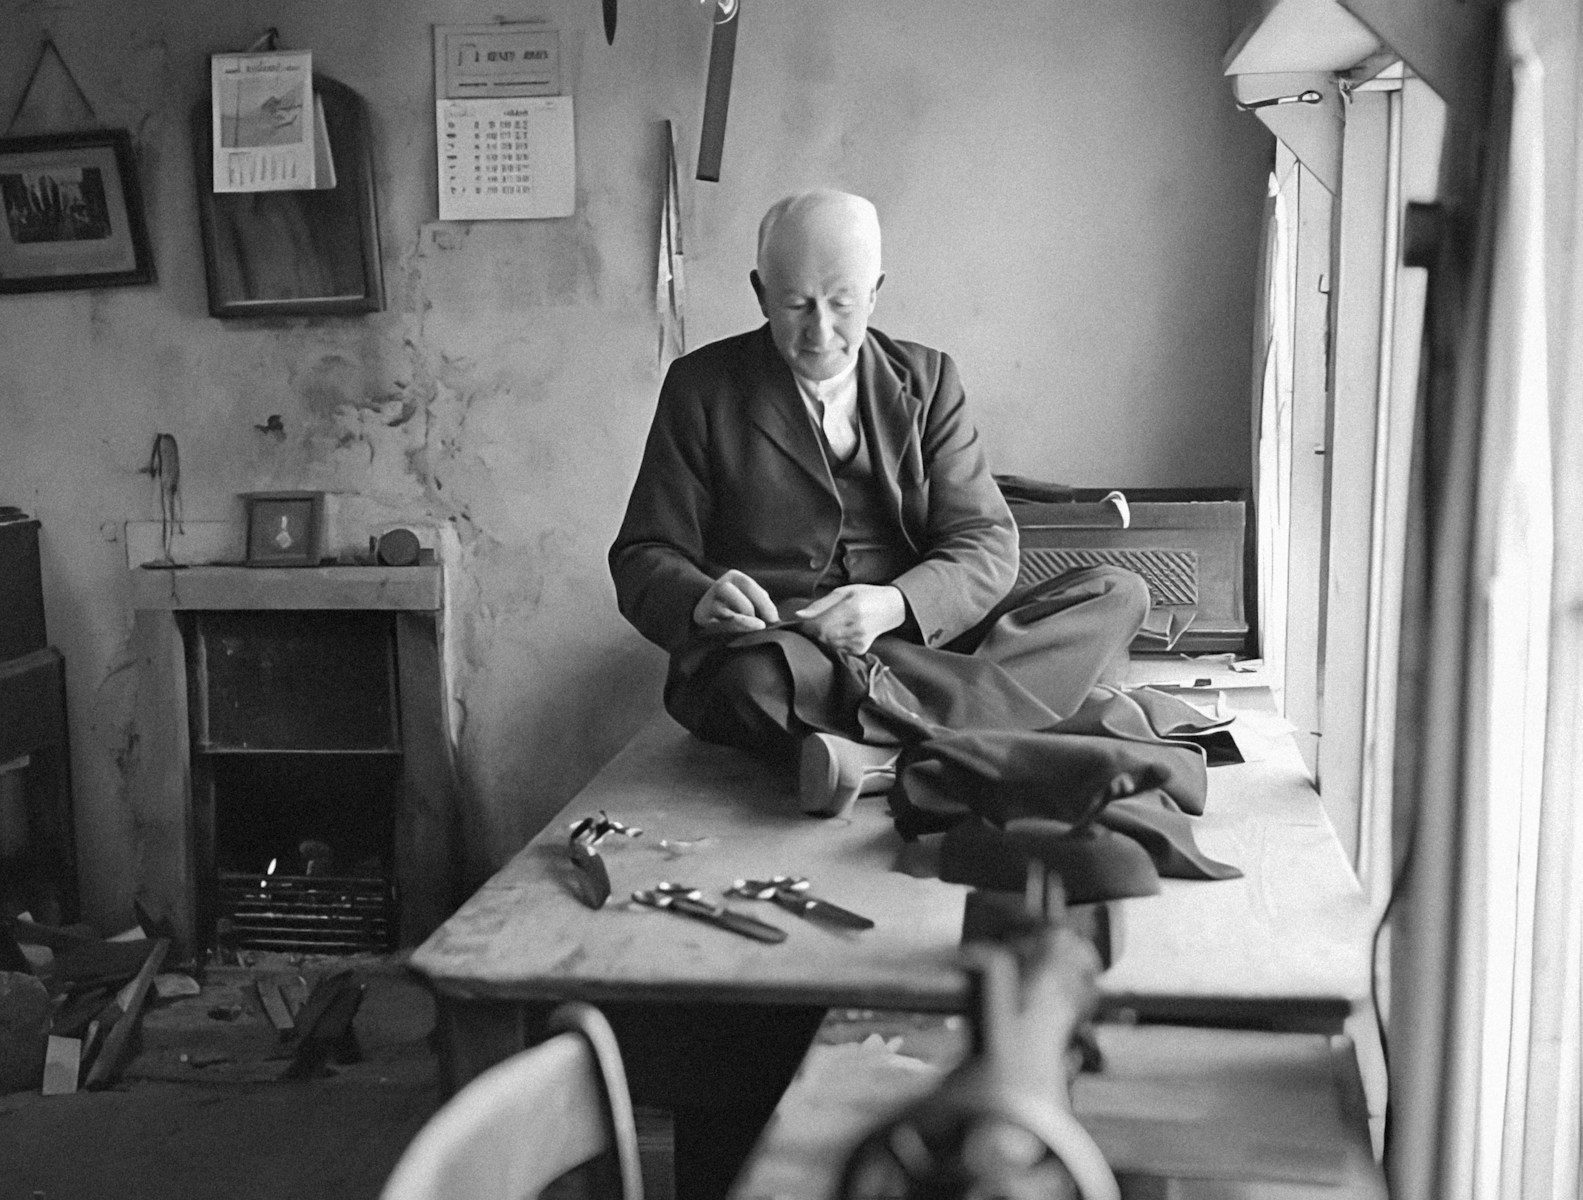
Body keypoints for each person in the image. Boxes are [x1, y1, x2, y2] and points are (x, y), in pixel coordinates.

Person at [610, 189, 1149, 813]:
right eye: (795, 305)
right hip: (789, 648)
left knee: (1117, 594)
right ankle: (1006, 725)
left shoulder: (929, 380)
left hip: (917, 640)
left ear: (875, 292)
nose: (820, 332)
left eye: (842, 304)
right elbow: (643, 554)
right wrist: (699, 598)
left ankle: (881, 756)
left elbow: (986, 542)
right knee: (747, 684)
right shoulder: (702, 388)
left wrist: (893, 605)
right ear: (760, 293)